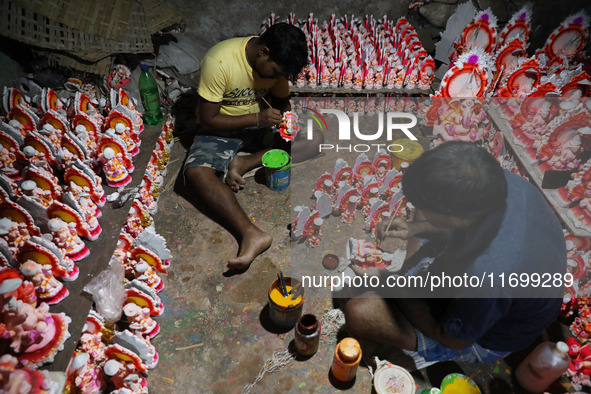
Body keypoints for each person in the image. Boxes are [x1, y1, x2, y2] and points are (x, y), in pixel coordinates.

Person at [344, 141, 566, 364]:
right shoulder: (500, 182)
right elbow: (461, 222)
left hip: (485, 337)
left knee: (360, 312)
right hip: (494, 281)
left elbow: (453, 338)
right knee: (428, 197)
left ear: (457, 218)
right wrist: (415, 228)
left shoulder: (489, 273)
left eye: (429, 212)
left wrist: (389, 284)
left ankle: (420, 346)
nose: (415, 209)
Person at [184, 23, 317, 272]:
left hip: (262, 126)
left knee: (315, 138)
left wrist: (287, 120)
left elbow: (280, 100)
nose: (278, 78)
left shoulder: (275, 68)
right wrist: (256, 119)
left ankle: (244, 162)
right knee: (196, 173)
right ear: (262, 52)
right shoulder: (219, 61)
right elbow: (207, 118)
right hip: (222, 128)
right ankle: (251, 234)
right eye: (276, 72)